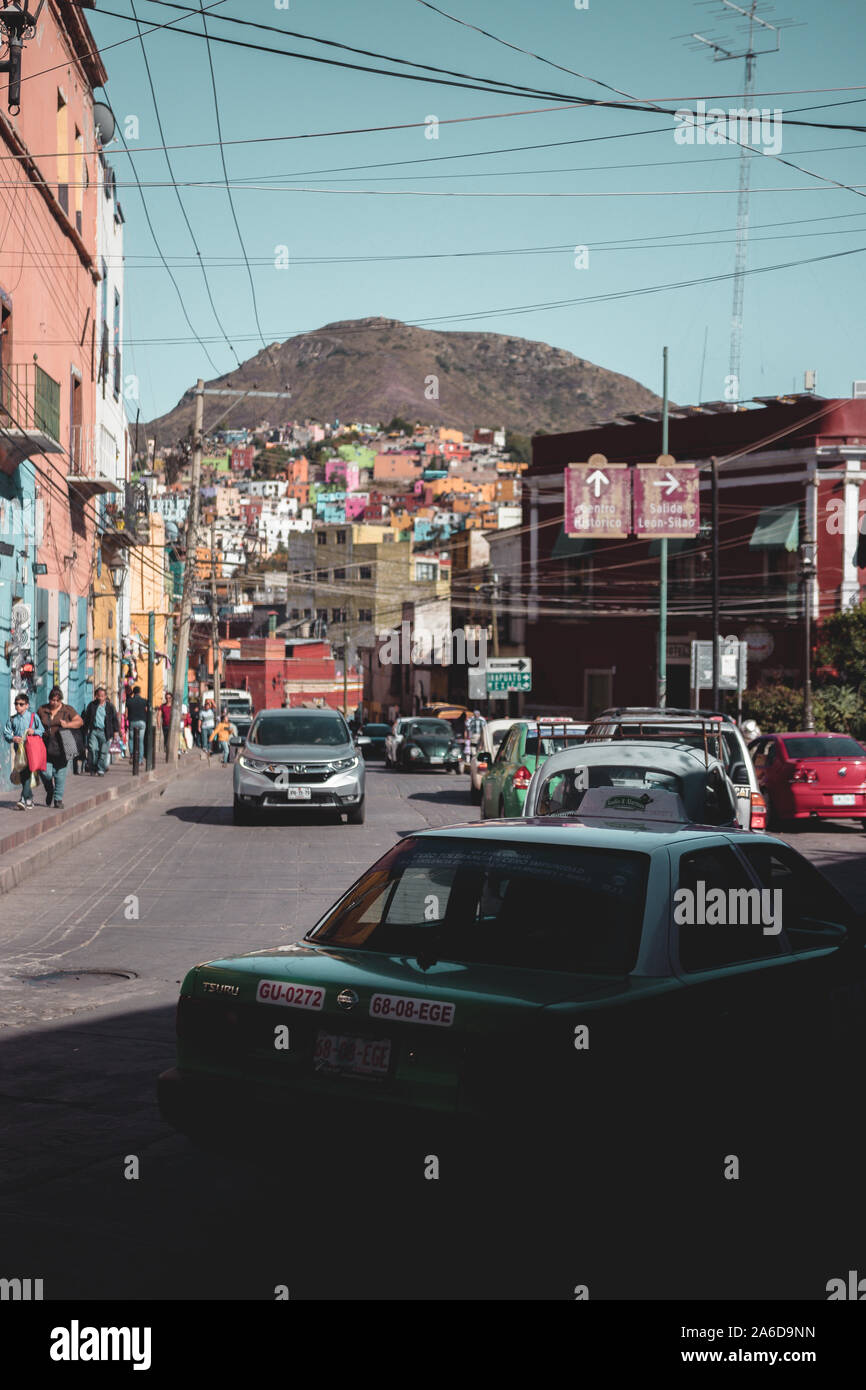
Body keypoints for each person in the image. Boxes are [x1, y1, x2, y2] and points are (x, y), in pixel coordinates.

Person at [36, 686, 83, 809]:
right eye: (52, 700)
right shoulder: (42, 710)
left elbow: (79, 722)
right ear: (49, 699)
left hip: (62, 745)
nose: (55, 702)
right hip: (45, 746)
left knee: (60, 774)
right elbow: (35, 723)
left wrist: (67, 724)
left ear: (61, 700)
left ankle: (58, 799)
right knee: (44, 772)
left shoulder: (67, 710)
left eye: (57, 700)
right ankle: (49, 789)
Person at [3, 694, 44, 809]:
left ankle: (22, 799)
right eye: (16, 704)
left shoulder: (33, 716)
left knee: (27, 772)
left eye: (21, 704)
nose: (18, 706)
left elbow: (42, 730)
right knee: (23, 772)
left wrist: (33, 731)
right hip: (19, 750)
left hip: (31, 749)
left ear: (27, 705)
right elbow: (6, 733)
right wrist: (13, 738)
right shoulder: (12, 719)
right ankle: (29, 798)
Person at [82, 685, 120, 777]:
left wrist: (116, 731)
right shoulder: (92, 705)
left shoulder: (110, 707)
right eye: (99, 695)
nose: (100, 698)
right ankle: (93, 767)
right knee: (93, 749)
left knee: (103, 752)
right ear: (96, 696)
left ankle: (101, 768)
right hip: (94, 731)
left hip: (105, 732)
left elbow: (115, 719)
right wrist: (85, 729)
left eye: (102, 696)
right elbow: (87, 718)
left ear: (105, 696)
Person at [126, 685, 148, 767]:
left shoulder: (129, 701)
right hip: (142, 722)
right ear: (140, 692)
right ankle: (140, 760)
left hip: (133, 721)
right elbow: (146, 710)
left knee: (131, 739)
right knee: (140, 741)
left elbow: (126, 713)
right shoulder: (144, 701)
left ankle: (132, 755)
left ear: (133, 692)